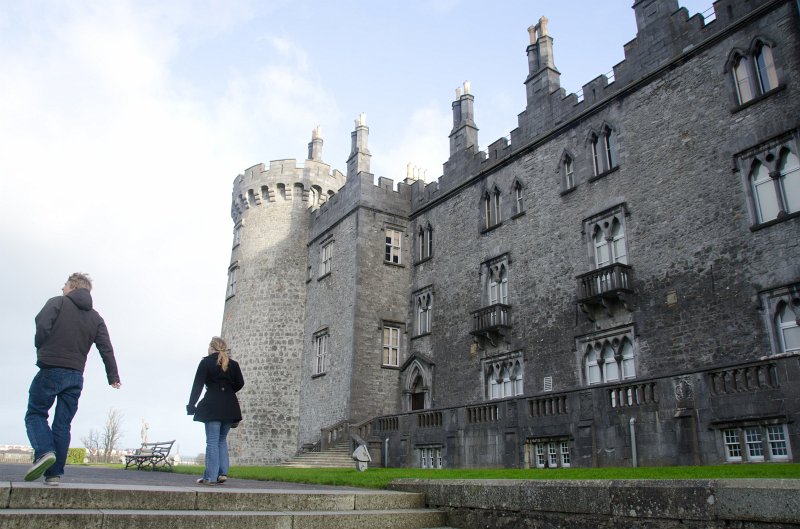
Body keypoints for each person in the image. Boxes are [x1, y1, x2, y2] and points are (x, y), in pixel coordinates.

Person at [24, 272, 121, 486]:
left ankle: (44, 452)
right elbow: (106, 348)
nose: (62, 288)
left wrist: (42, 348)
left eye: (65, 285)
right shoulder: (96, 318)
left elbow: (41, 325)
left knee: (35, 413)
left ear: (73, 286)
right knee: (62, 424)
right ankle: (54, 474)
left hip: (51, 368)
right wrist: (113, 376)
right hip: (75, 375)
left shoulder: (57, 303)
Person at [186, 336, 244, 485]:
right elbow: (240, 383)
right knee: (221, 440)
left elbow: (197, 386)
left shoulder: (206, 362)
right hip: (230, 406)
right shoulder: (234, 364)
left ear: (212, 348)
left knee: (212, 441)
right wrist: (228, 391)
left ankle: (210, 477)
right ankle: (222, 473)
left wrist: (191, 406)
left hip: (212, 405)